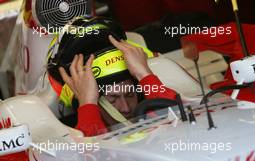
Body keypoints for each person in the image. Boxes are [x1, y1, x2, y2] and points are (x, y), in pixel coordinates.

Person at [47, 16, 177, 136]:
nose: (126, 108)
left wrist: (145, 76)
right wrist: (87, 106)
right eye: (113, 99)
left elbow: (179, 119)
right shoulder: (64, 143)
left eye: (130, 95)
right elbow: (92, 155)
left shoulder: (155, 117)